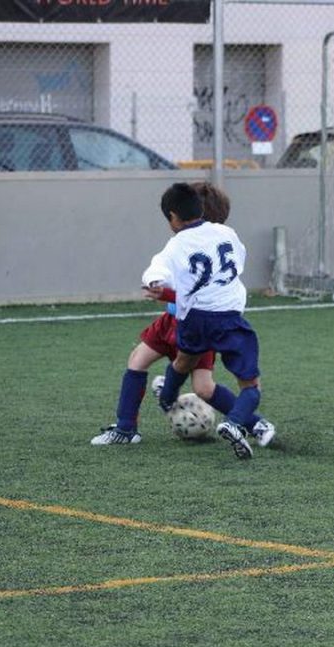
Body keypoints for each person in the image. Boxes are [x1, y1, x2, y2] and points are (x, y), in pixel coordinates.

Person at [92, 181, 275, 448]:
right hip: (175, 321)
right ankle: (126, 428)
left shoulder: (190, 243)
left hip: (195, 320)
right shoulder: (211, 239)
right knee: (138, 359)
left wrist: (161, 289)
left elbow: (189, 288)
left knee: (203, 388)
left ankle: (253, 423)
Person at [143, 182, 264, 460]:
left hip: (193, 319)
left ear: (173, 217)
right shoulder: (227, 233)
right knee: (251, 385)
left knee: (184, 360)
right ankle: (233, 424)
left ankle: (166, 397)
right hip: (228, 318)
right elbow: (239, 261)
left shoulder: (175, 245)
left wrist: (153, 281)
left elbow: (158, 267)